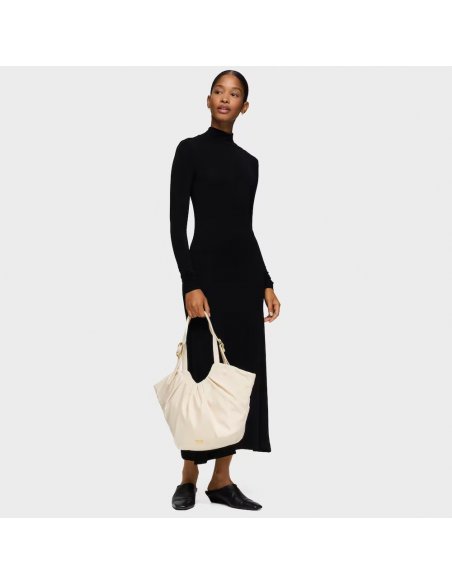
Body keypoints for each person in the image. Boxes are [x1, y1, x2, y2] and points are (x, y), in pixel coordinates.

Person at [169, 69, 281, 511]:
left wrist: (266, 282)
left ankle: (222, 480)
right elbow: (177, 226)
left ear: (244, 107)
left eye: (234, 94)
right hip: (206, 280)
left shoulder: (250, 164)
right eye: (219, 91)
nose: (224, 98)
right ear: (208, 99)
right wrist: (190, 283)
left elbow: (244, 229)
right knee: (201, 373)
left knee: (239, 378)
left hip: (242, 282)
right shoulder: (189, 150)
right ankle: (188, 477)